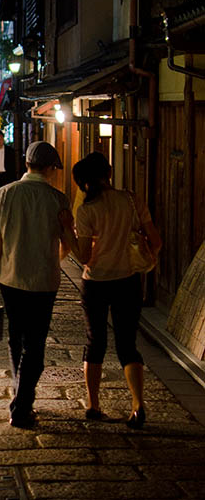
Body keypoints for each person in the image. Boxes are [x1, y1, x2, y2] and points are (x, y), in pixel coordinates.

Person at [67, 152, 162, 428]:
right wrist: (138, 256)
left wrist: (67, 232)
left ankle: (94, 405)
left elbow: (84, 256)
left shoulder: (87, 210)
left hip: (96, 282)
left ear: (85, 182)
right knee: (127, 344)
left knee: (95, 343)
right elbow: (155, 240)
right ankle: (137, 404)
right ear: (108, 175)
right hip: (128, 280)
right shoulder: (130, 200)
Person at [0, 141, 76, 428]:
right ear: (50, 168)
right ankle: (22, 405)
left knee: (16, 337)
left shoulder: (5, 193)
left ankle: (21, 395)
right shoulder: (58, 199)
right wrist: (54, 259)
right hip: (43, 282)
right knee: (35, 344)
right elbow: (67, 245)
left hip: (10, 279)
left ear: (26, 164)